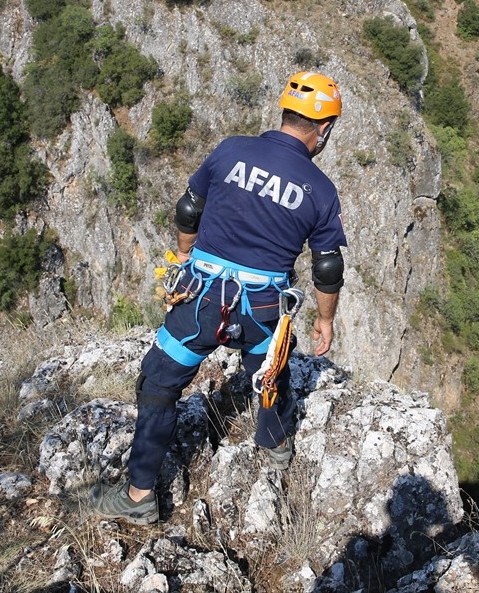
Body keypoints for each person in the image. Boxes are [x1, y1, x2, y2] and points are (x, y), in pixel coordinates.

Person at [91, 71, 347, 525]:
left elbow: (190, 208)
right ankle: (275, 445)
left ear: (284, 112)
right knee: (270, 376)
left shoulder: (231, 150)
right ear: (323, 129)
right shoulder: (320, 191)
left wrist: (185, 256)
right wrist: (325, 322)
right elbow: (327, 268)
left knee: (158, 383)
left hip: (202, 300)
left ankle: (138, 496)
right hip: (264, 312)